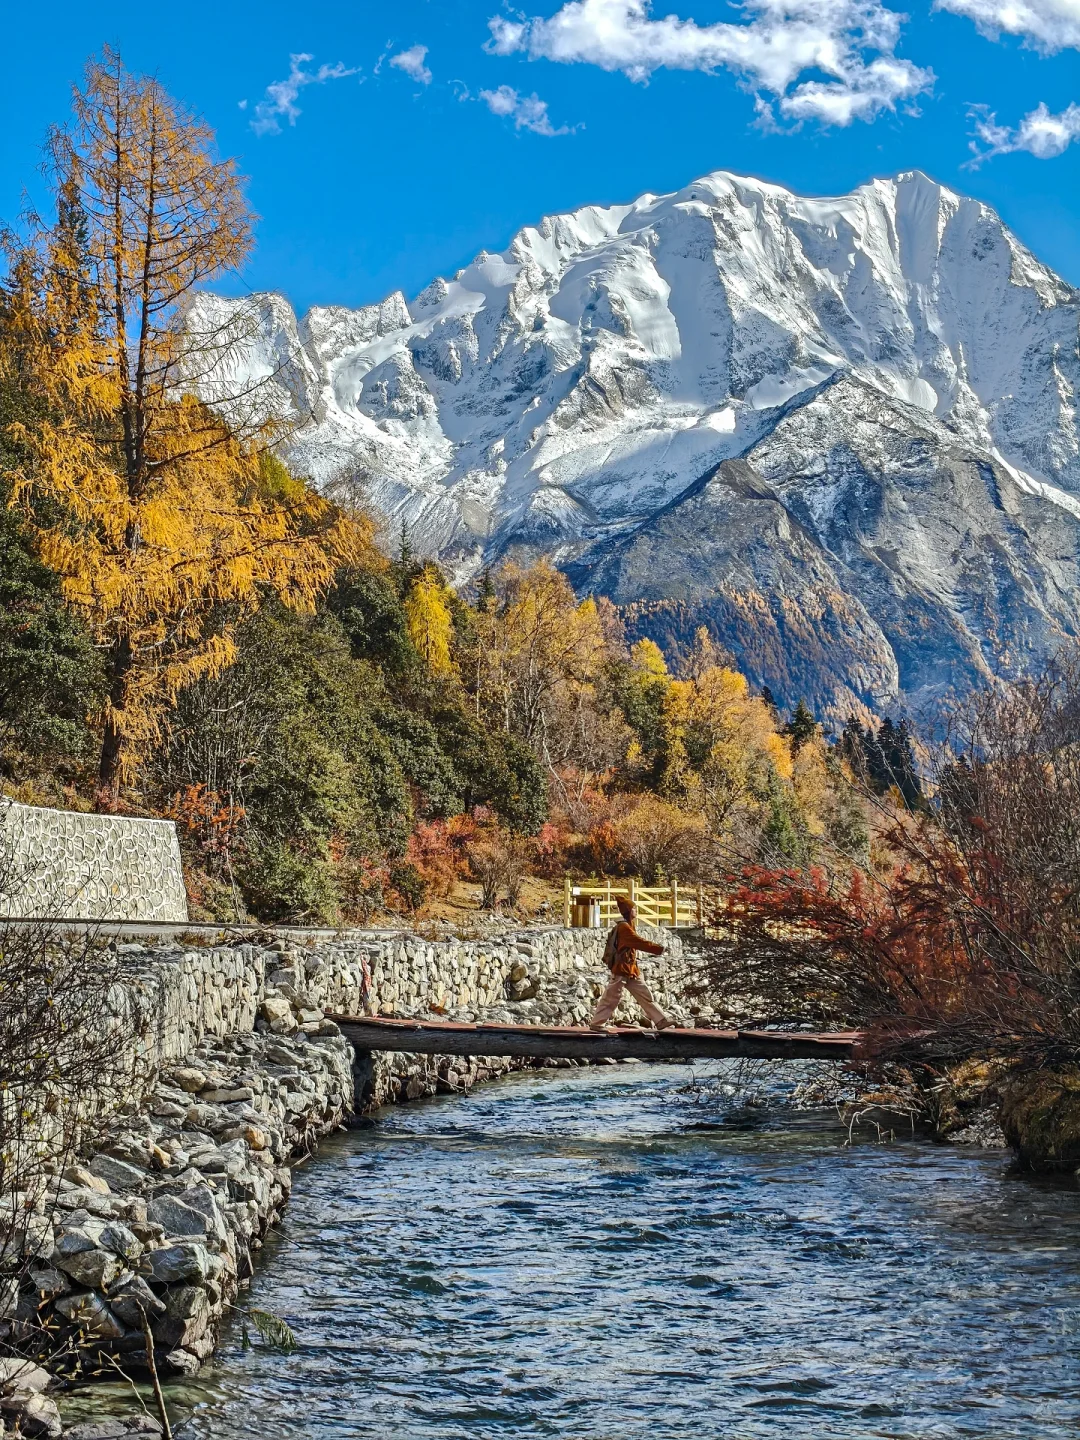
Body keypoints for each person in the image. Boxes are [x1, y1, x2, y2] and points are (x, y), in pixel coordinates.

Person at [590, 896, 674, 1031]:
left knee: (644, 994)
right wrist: (659, 949)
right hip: (622, 969)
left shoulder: (627, 924)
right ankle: (597, 1024)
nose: (636, 910)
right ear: (628, 911)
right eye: (634, 908)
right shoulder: (624, 927)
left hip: (631, 969)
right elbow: (638, 942)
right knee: (611, 997)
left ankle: (661, 1020)